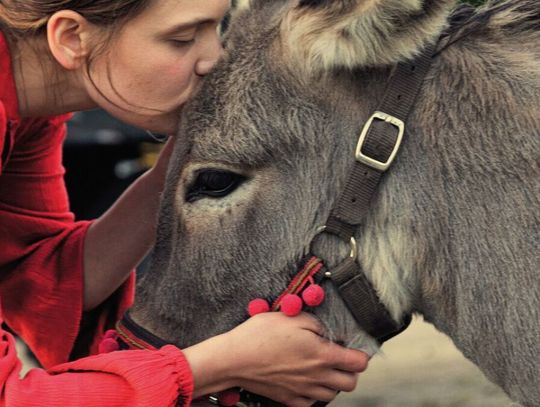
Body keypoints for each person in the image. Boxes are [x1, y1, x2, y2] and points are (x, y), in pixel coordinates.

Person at [0, 1, 370, 406]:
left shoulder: (29, 112)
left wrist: (171, 173)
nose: (214, 59)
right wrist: (218, 364)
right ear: (71, 38)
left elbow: (35, 278)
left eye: (217, 28)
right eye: (181, 39)